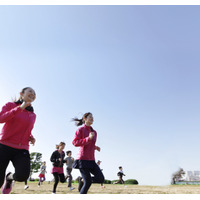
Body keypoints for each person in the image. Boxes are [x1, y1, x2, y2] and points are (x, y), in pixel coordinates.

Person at [0, 87, 36, 194]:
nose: (33, 94)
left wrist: (31, 137)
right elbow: (1, 119)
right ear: (21, 93)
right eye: (30, 91)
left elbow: (26, 129)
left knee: (22, 175)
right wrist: (19, 108)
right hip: (4, 146)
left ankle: (9, 178)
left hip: (22, 148)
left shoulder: (33, 115)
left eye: (34, 94)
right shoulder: (10, 105)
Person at [72, 112, 104, 194]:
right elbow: (75, 142)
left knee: (100, 179)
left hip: (91, 159)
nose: (92, 118)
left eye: (92, 117)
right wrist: (88, 138)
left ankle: (82, 180)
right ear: (84, 119)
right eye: (90, 117)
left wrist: (95, 147)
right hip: (82, 159)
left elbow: (90, 144)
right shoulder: (80, 130)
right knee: (88, 182)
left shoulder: (94, 132)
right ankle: (84, 181)